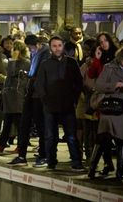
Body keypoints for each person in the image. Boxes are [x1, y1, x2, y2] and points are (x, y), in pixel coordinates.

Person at [35, 36, 84, 171]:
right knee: (50, 136)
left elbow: (79, 82)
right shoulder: (45, 64)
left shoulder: (72, 63)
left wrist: (74, 98)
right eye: (54, 46)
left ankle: (76, 161)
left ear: (63, 46)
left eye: (59, 45)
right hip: (50, 106)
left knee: (71, 136)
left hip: (67, 105)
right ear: (50, 48)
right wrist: (45, 100)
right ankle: (51, 161)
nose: (57, 48)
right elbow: (40, 84)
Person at [88, 46, 123, 180]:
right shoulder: (109, 67)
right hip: (110, 108)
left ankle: (121, 171)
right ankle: (93, 168)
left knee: (122, 139)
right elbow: (98, 85)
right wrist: (115, 85)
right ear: (119, 59)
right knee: (103, 138)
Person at [8, 34, 50, 166]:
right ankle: (22, 155)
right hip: (31, 91)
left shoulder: (45, 53)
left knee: (41, 125)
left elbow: (41, 73)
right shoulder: (35, 54)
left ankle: (44, 154)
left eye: (31, 47)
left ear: (36, 44)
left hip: (39, 94)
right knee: (23, 124)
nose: (30, 50)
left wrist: (31, 76)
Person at [0, 40, 30, 152]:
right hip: (10, 95)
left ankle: (21, 146)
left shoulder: (25, 62)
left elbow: (12, 74)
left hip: (17, 96)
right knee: (8, 120)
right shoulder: (16, 62)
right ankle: (1, 144)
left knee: (18, 122)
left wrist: (13, 60)